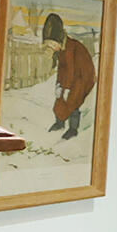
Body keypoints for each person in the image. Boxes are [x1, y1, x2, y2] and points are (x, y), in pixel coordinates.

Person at [42, 12, 95, 141]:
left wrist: (67, 89)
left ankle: (73, 129)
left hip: (83, 76)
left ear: (59, 41)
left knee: (72, 101)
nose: (52, 48)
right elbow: (62, 69)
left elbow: (72, 70)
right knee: (59, 99)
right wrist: (59, 85)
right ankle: (59, 123)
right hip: (71, 77)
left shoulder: (71, 47)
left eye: (53, 45)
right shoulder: (61, 50)